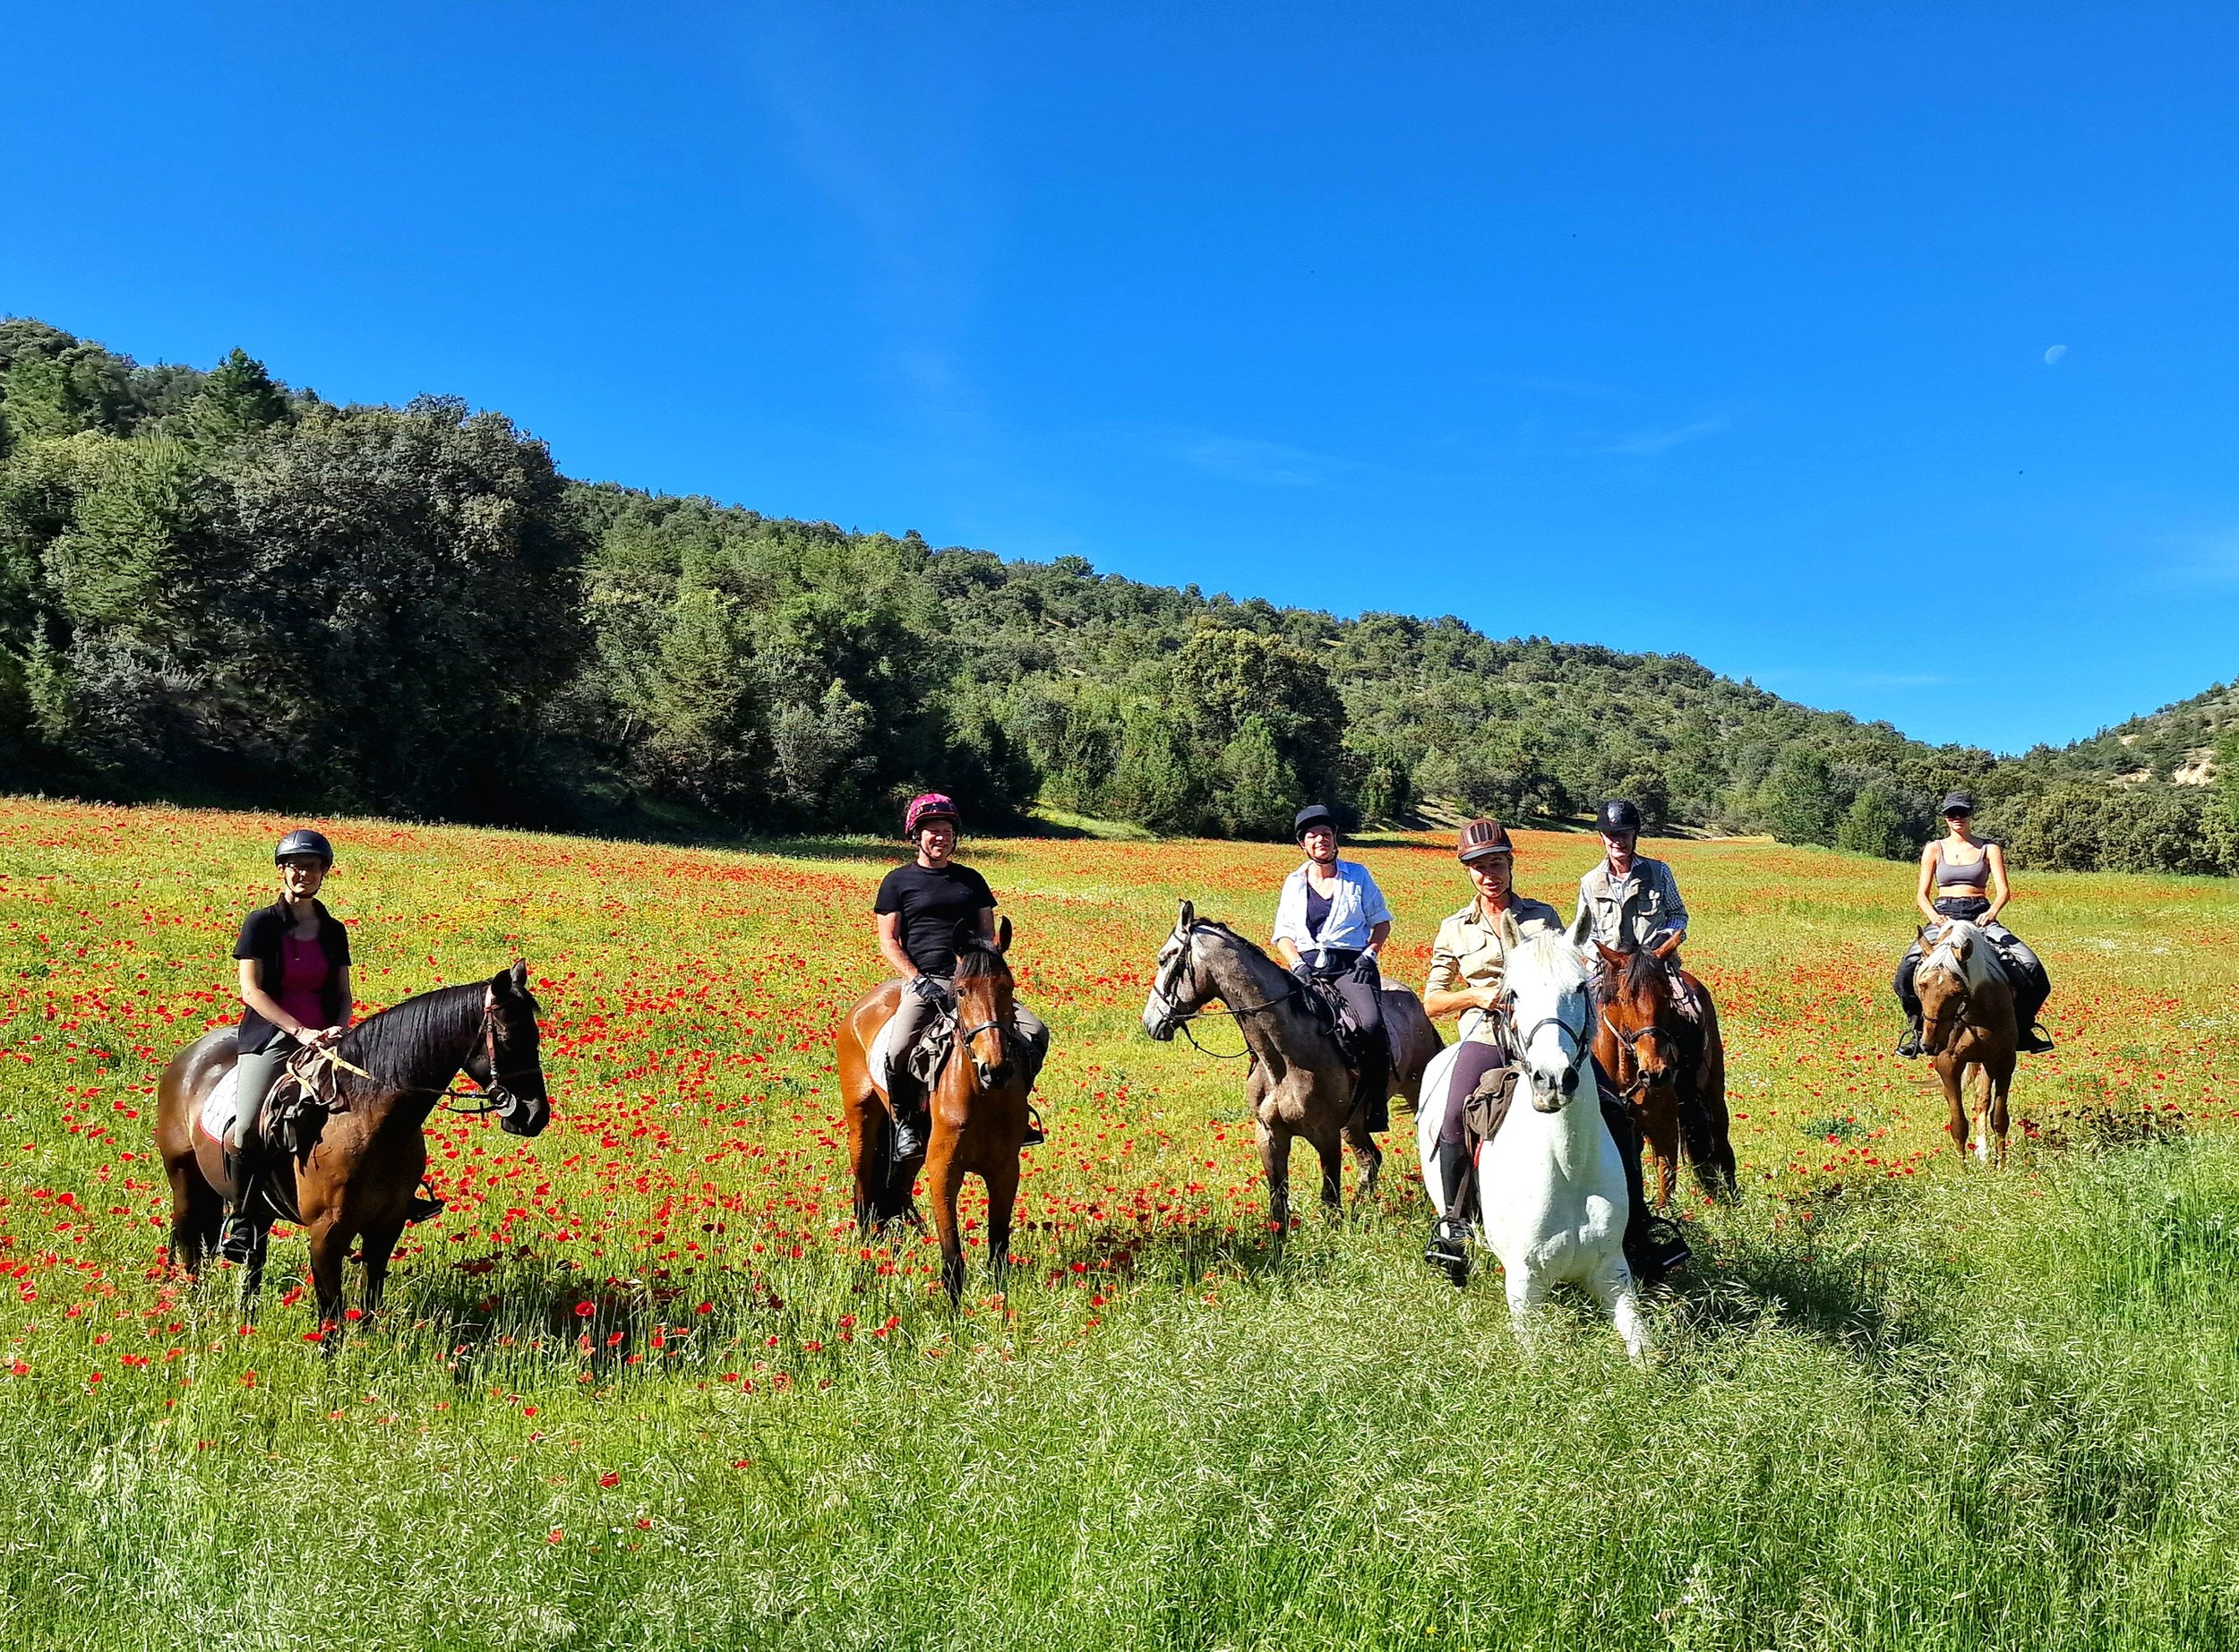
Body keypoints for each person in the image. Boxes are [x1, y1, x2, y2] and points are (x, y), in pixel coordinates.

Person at [1419, 818, 1565, 1268]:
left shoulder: (1543, 917)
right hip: (1486, 1033)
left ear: (1510, 863)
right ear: (1468, 872)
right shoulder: (1454, 928)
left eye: (1497, 863)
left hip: (1541, 1034)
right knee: (1450, 1118)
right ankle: (1454, 1224)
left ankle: (1637, 1223)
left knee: (1611, 1106)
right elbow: (1432, 1000)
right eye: (1479, 866)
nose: (1489, 874)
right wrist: (1476, 995)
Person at [872, 792, 1050, 1158]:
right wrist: (916, 977)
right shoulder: (897, 882)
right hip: (927, 979)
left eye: (947, 831)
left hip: (974, 982)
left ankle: (1017, 1110)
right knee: (899, 1047)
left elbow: (986, 936)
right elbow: (889, 941)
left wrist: (988, 967)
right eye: (932, 831)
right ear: (916, 835)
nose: (940, 837)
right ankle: (906, 1124)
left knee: (1034, 1032)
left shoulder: (971, 880)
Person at [225, 828, 353, 1263]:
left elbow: (341, 993)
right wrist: (300, 1032)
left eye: (311, 866)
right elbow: (251, 992)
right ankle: (241, 1220)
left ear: (323, 873)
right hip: (273, 1037)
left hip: (326, 1040)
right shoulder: (261, 923)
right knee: (246, 1127)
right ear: (282, 870)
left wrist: (337, 1028)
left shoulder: (333, 930)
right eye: (294, 865)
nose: (302, 872)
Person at [1895, 792, 2054, 1057]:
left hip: (1980, 915)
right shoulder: (1934, 848)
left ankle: (2024, 1030)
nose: (1957, 818)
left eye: (1962, 813)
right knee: (1905, 972)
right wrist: (1935, 917)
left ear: (1971, 815)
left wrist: (1992, 911)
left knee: (2032, 968)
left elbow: (2003, 891)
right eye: (1951, 814)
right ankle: (1917, 1031)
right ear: (1945, 818)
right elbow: (1921, 895)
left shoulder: (1988, 848)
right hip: (1944, 915)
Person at [1270, 803, 1394, 1130]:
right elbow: (1283, 933)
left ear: (1335, 838)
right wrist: (1296, 964)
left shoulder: (1358, 875)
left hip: (1352, 966)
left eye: (1326, 833)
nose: (1320, 839)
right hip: (1306, 966)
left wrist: (1370, 955)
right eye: (1312, 836)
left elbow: (1381, 922)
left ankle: (1375, 1103)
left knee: (1370, 1025)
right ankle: (1270, 1091)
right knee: (1274, 1022)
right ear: (1303, 844)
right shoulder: (1293, 882)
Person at [1573, 799, 1689, 967]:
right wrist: (1601, 956)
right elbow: (1586, 932)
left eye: (1624, 834)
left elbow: (1678, 915)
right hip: (1608, 966)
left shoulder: (1659, 872)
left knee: (1685, 993)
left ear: (1634, 835)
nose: (1618, 841)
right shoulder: (1589, 882)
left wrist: (1664, 939)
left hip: (1656, 964)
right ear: (1602, 837)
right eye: (1612, 835)